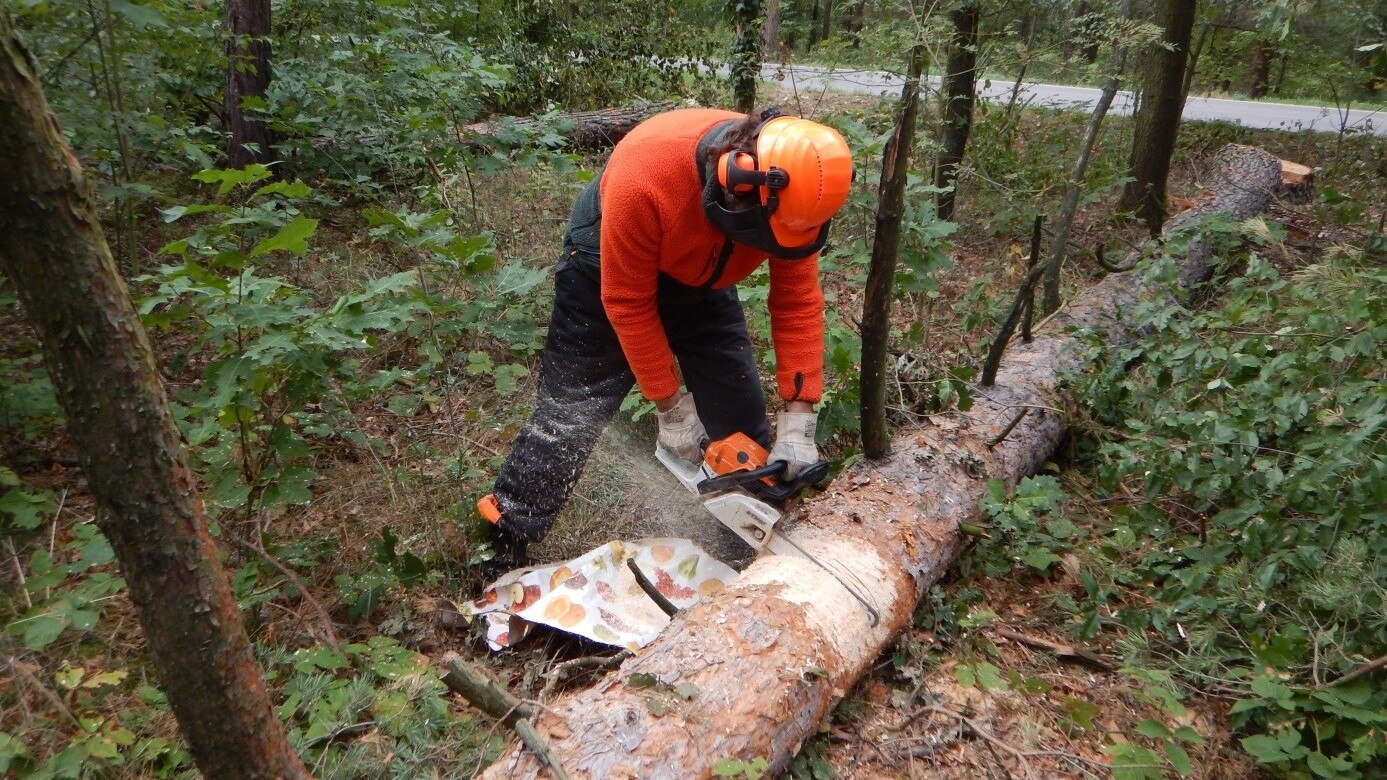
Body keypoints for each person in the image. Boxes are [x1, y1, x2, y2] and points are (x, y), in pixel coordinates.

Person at [476, 106, 854, 578]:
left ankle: (743, 552)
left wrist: (800, 416)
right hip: (604, 261)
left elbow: (797, 303)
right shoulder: (646, 175)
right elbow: (628, 302)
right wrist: (670, 406)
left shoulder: (795, 196)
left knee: (739, 417)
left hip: (703, 276)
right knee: (572, 407)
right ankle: (504, 536)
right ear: (736, 182)